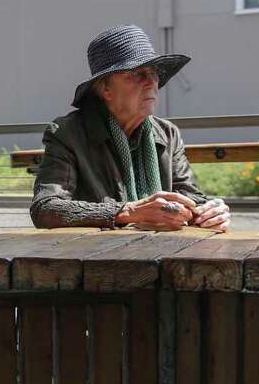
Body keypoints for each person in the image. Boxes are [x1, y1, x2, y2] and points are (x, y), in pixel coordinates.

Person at [32, 25, 231, 233]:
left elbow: (190, 196)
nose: (150, 82)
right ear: (105, 89)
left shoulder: (167, 133)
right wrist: (128, 212)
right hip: (92, 257)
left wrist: (210, 211)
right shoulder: (68, 133)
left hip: (162, 254)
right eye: (136, 74)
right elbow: (46, 208)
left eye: (153, 73)